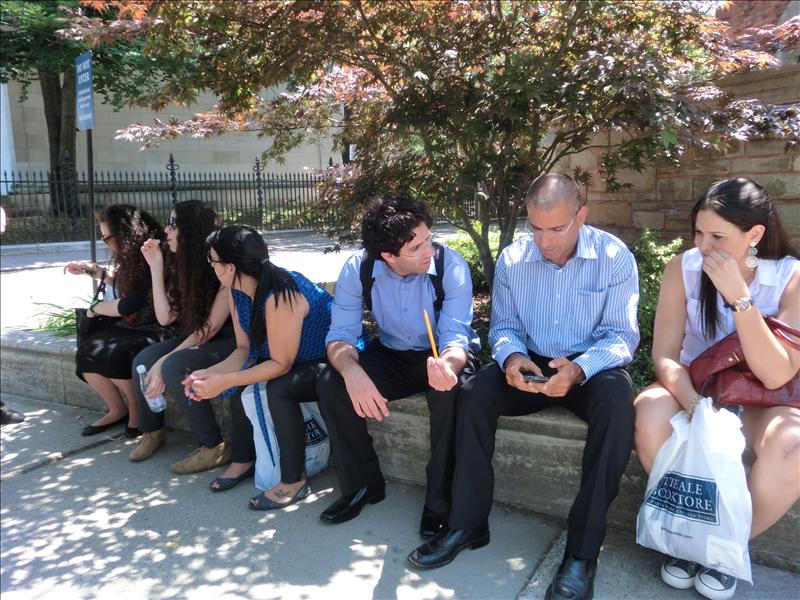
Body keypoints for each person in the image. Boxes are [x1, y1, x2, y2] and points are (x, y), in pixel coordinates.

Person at [408, 174, 639, 600]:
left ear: (581, 217)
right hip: (530, 361)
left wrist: (579, 369)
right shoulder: (514, 259)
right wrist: (513, 358)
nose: (544, 241)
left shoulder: (614, 257)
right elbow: (504, 327)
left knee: (618, 403)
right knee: (473, 392)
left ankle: (582, 554)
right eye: (535, 228)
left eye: (557, 229)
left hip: (589, 367)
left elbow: (621, 336)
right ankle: (467, 523)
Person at [633, 177, 800, 600]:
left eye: (717, 237)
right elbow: (665, 355)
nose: (703, 246)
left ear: (754, 235)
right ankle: (690, 533)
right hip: (696, 384)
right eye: (698, 233)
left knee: (793, 446)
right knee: (648, 414)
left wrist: (741, 299)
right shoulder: (683, 268)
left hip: (762, 396)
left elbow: (777, 375)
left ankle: (722, 548)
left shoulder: (790, 277)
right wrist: (694, 405)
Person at [316, 194, 480, 537]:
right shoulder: (359, 269)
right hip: (391, 353)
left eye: (428, 239)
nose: (428, 251)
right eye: (416, 247)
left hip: (442, 353)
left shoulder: (450, 266)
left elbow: (456, 338)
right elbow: (340, 335)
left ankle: (440, 500)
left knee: (452, 392)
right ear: (388, 256)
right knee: (331, 381)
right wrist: (351, 371)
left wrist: (447, 367)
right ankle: (362, 485)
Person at [182, 225, 340, 508]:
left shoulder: (280, 294)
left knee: (276, 388)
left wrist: (226, 380)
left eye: (212, 260)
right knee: (242, 382)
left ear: (230, 267)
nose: (211, 266)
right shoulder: (235, 291)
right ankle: (243, 460)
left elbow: (281, 364)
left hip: (333, 358)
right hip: (293, 359)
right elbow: (244, 350)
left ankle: (294, 481)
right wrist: (211, 374)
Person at [127, 200, 244, 486]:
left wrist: (164, 361)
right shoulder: (182, 263)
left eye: (172, 224)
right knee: (143, 360)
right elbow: (165, 317)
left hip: (231, 340)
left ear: (190, 230)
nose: (165, 230)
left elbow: (210, 329)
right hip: (201, 336)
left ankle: (213, 445)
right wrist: (155, 267)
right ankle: (153, 431)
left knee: (173, 365)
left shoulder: (222, 264)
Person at [65, 204, 171, 438]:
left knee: (113, 356)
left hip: (156, 325)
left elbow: (131, 302)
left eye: (107, 238)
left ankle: (135, 407)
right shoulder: (132, 254)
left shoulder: (151, 252)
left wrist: (95, 309)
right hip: (132, 324)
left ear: (125, 234)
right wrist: (93, 272)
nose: (105, 244)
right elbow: (127, 285)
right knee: (86, 354)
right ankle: (117, 409)